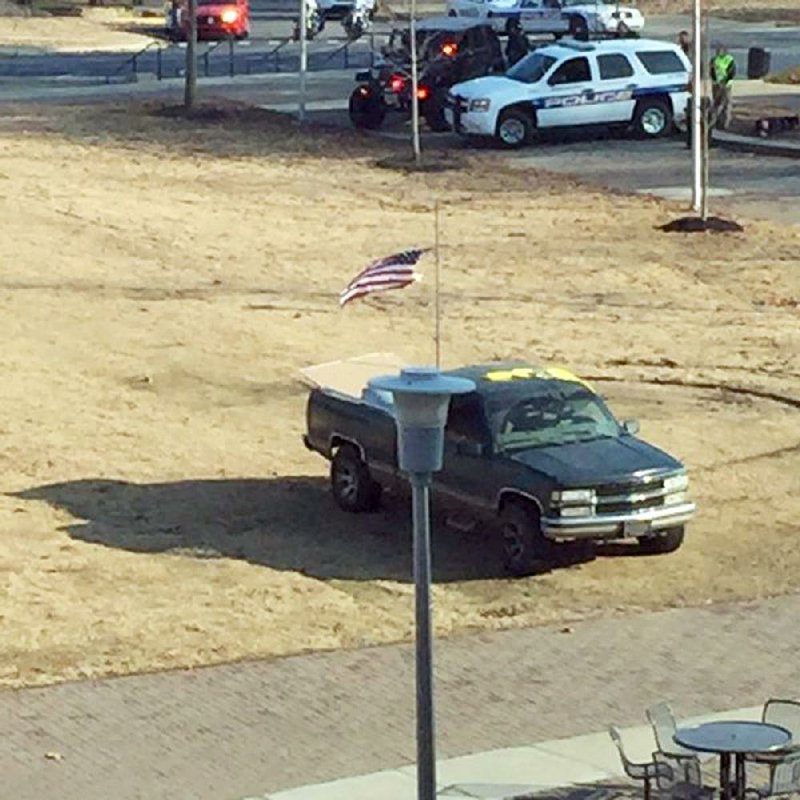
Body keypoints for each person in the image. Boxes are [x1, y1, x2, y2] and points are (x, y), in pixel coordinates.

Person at [710, 44, 736, 129]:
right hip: (716, 85)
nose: (718, 52)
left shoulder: (729, 59)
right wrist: (716, 81)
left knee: (726, 104)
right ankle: (715, 121)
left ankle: (725, 123)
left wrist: (725, 81)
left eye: (720, 50)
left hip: (726, 85)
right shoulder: (714, 59)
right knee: (716, 103)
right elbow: (711, 71)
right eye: (717, 51)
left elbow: (732, 72)